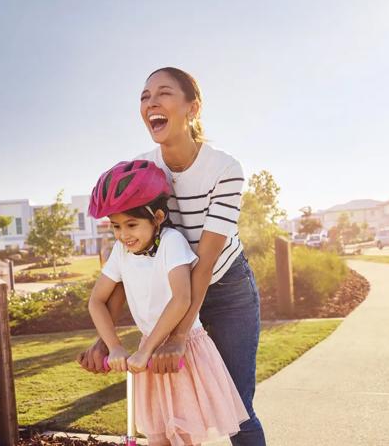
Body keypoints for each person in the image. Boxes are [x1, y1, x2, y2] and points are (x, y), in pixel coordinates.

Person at [79, 67, 265, 446]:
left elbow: (205, 260)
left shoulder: (225, 169)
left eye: (163, 94)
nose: (151, 103)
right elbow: (132, 257)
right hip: (174, 294)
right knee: (170, 420)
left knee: (237, 409)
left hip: (225, 288)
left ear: (192, 108)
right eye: (145, 97)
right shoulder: (143, 170)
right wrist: (107, 338)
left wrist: (180, 335)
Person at [85, 160, 249, 446]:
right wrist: (114, 346)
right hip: (147, 356)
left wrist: (146, 350)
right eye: (116, 227)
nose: (124, 235)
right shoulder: (121, 253)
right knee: (157, 437)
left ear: (157, 217)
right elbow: (96, 301)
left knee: (183, 438)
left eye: (132, 224)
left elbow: (182, 298)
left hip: (182, 353)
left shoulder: (172, 242)